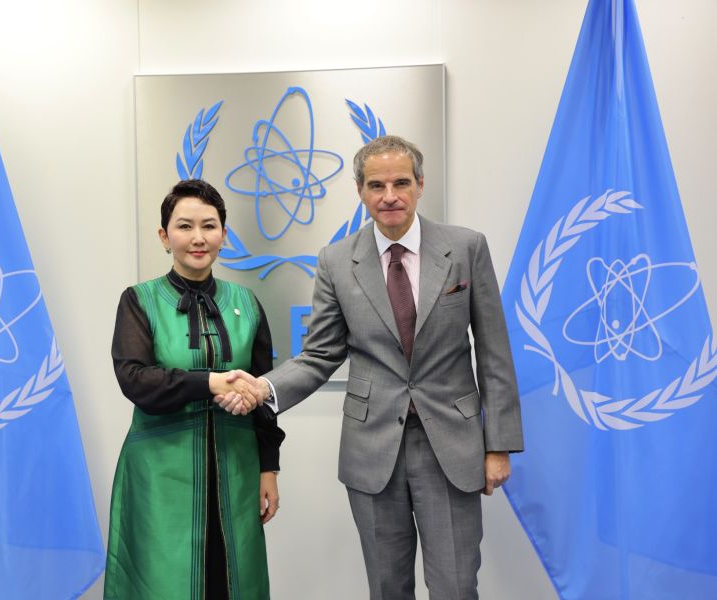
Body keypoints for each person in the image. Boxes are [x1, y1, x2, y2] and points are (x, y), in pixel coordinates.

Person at [217, 136, 524, 600]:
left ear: (420, 184)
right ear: (360, 190)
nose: (390, 196)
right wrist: (263, 388)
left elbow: (495, 351)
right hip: (373, 450)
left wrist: (498, 445)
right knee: (386, 588)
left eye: (401, 183)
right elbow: (320, 354)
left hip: (452, 446)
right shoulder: (336, 260)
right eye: (377, 185)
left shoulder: (466, 248)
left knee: (457, 587)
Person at [105, 179, 284, 600]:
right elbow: (135, 378)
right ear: (164, 236)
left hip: (236, 468)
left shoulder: (247, 302)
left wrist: (269, 468)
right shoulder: (139, 300)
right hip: (160, 472)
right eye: (185, 226)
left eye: (209, 226)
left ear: (224, 234)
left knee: (232, 580)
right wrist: (210, 382)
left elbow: (264, 392)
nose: (198, 238)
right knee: (162, 583)